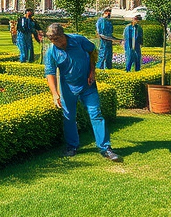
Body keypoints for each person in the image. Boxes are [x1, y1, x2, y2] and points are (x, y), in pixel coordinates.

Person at [43, 23, 122, 161]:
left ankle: (106, 148)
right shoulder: (51, 51)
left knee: (96, 114)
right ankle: (72, 146)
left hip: (88, 85)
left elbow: (92, 51)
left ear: (63, 35)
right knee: (69, 117)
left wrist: (92, 71)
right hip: (68, 88)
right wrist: (55, 94)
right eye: (51, 40)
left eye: (56, 39)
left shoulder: (78, 40)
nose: (54, 43)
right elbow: (50, 73)